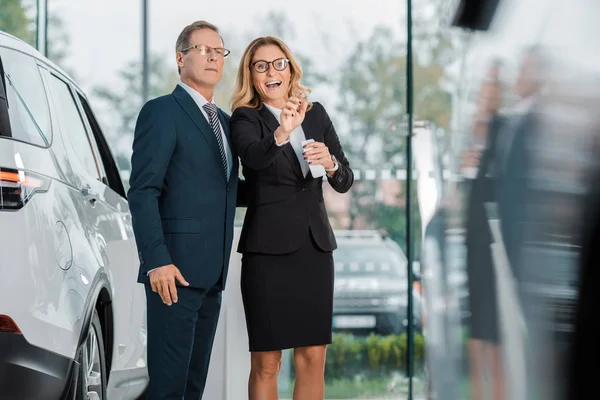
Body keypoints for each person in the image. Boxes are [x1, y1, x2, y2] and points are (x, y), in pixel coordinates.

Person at [229, 36, 354, 399]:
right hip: (268, 253)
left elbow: (345, 179)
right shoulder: (245, 118)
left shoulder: (315, 114)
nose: (272, 72)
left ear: (291, 69)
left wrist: (329, 162)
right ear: (251, 76)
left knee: (314, 356)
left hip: (315, 250)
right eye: (261, 65)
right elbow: (253, 158)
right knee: (268, 363)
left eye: (279, 63)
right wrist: (283, 132)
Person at [127, 20, 243, 399]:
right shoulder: (162, 112)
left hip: (212, 277)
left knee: (192, 386)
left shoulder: (225, 124)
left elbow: (226, 191)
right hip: (172, 273)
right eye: (203, 50)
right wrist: (156, 260)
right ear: (180, 58)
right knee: (168, 386)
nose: (213, 57)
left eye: (219, 51)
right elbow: (143, 191)